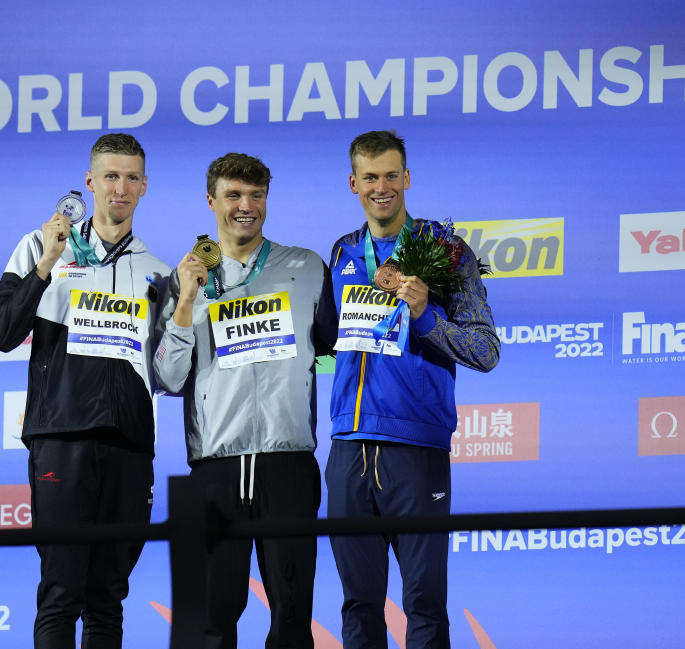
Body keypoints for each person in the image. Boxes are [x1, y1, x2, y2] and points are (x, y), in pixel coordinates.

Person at [0, 133, 170, 649]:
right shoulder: (39, 244)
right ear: (90, 182)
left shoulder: (159, 272)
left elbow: (171, 367)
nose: (121, 187)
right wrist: (46, 265)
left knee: (108, 600)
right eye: (110, 176)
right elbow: (1, 332)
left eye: (131, 177)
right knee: (60, 595)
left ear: (144, 186)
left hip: (129, 448)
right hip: (60, 440)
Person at [153, 153, 337, 649]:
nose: (245, 206)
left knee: (294, 617)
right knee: (212, 623)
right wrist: (187, 302)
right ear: (211, 201)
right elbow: (168, 379)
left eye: (256, 196)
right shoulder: (181, 279)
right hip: (215, 469)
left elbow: (329, 349)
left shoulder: (307, 267)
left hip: (289, 462)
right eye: (233, 195)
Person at [326, 130, 500, 649]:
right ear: (353, 183)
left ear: (408, 178)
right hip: (348, 446)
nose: (382, 187)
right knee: (359, 606)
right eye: (370, 177)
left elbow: (485, 350)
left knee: (423, 605)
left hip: (416, 450)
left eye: (391, 175)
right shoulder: (341, 252)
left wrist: (425, 316)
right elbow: (325, 344)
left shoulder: (445, 251)